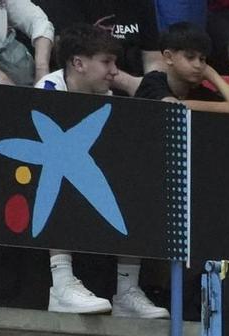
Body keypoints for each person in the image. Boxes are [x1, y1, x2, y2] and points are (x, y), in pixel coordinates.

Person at [33, 24, 158, 316]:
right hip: (41, 183)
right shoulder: (48, 90)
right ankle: (61, 286)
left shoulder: (106, 98)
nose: (114, 71)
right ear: (78, 63)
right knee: (58, 173)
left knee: (137, 182)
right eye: (106, 62)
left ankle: (127, 292)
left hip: (89, 178)